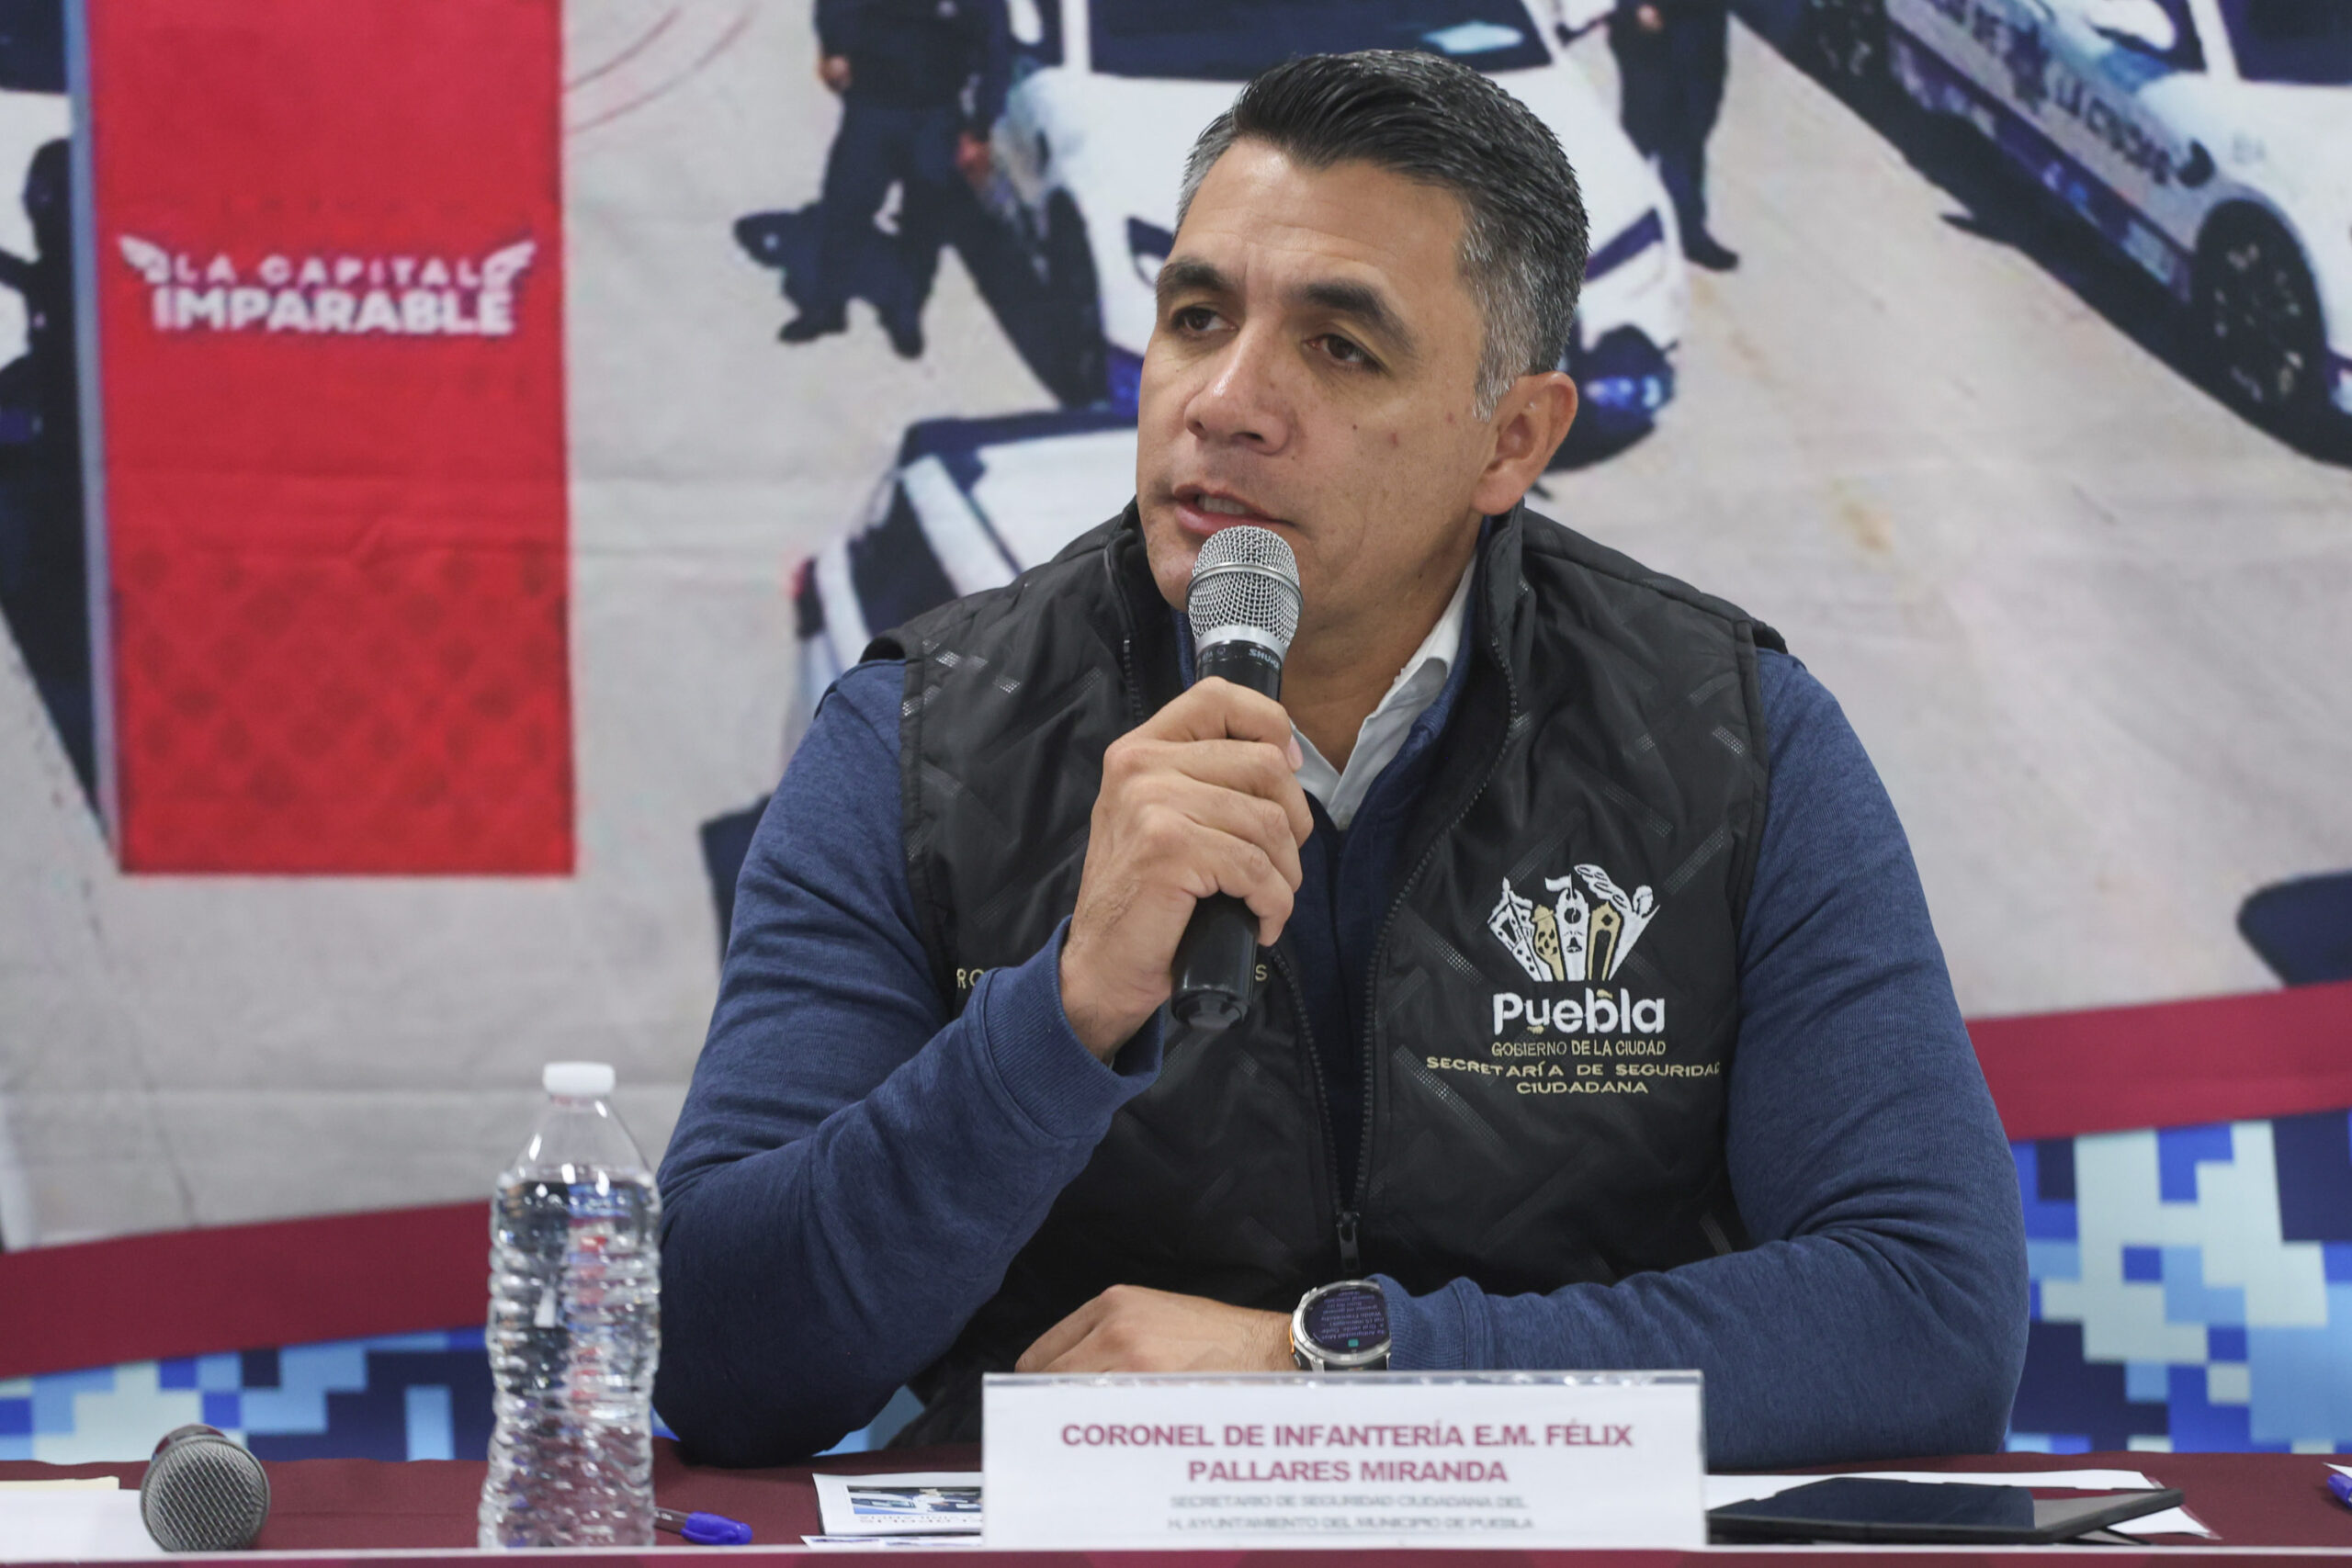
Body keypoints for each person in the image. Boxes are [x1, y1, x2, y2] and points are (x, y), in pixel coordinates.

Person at [658, 49, 2026, 1468]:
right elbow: (719, 1355)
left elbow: (1929, 1316)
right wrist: (1060, 1019)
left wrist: (1325, 1364)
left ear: (1513, 439)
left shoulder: (1732, 735)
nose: (1224, 399)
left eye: (1338, 347)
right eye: (1197, 317)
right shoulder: (916, 734)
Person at [781, 0, 1010, 356]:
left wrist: (980, 128)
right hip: (872, 105)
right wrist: (834, 47)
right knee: (845, 207)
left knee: (924, 223)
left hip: (936, 115)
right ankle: (827, 307)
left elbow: (995, 46)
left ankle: (906, 313)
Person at [1611, 0, 1740, 270]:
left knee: (1689, 140)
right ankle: (1615, 229)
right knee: (1640, 141)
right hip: (1651, 36)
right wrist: (1636, 8)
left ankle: (1688, 233)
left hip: (1700, 36)